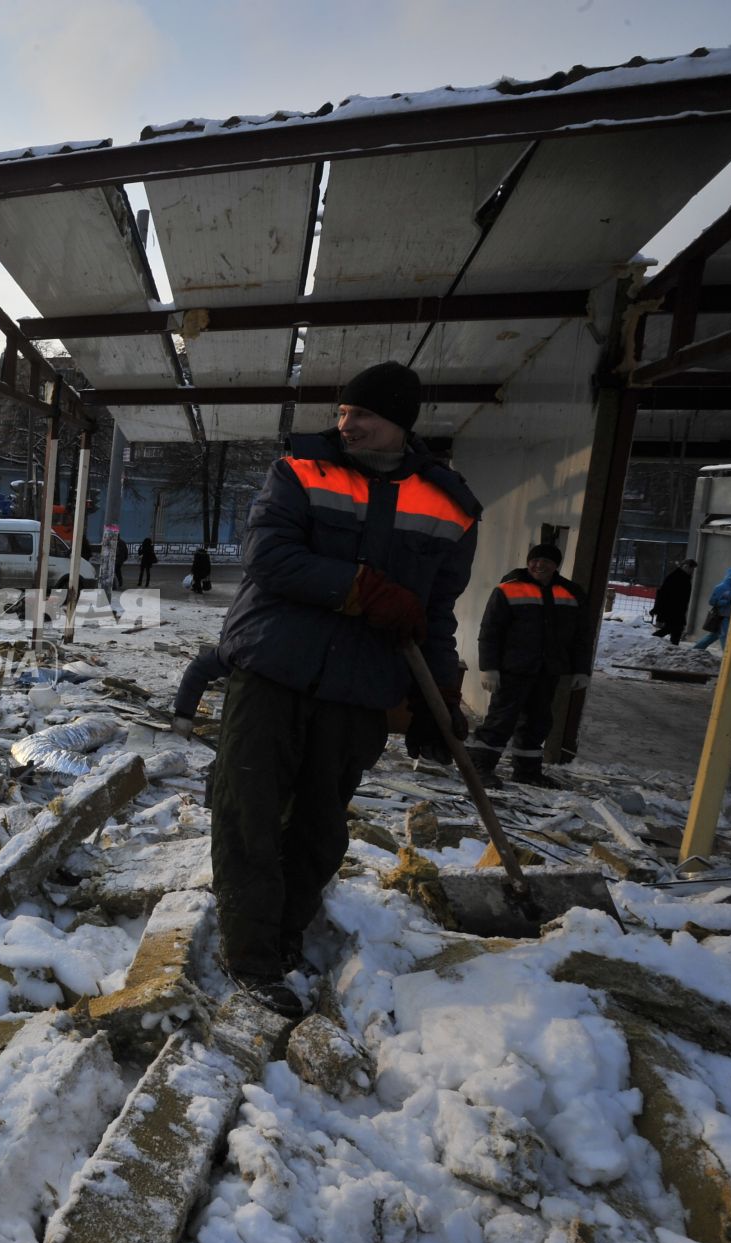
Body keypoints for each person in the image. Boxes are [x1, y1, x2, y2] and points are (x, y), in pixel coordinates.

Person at [208, 360, 479, 1017]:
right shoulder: (299, 470)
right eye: (344, 413)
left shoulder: (451, 505)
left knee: (320, 829)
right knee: (247, 810)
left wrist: (439, 691)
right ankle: (251, 959)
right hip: (272, 667)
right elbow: (268, 558)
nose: (346, 424)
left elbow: (435, 613)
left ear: (399, 426)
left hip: (359, 689)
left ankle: (284, 933)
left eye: (364, 415)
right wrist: (360, 588)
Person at [467, 545, 590, 788]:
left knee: (538, 722)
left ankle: (527, 771)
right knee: (501, 720)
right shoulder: (508, 589)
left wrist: (581, 669)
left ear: (556, 565)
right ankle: (480, 767)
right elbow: (490, 630)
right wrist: (488, 667)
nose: (539, 565)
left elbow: (582, 636)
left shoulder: (571, 593)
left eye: (546, 561)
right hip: (514, 669)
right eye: (535, 560)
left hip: (548, 671)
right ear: (528, 562)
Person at [651, 559, 695, 644]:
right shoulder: (675, 577)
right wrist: (659, 611)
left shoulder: (684, 577)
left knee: (675, 630)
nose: (692, 571)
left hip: (678, 610)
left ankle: (673, 647)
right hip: (672, 610)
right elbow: (663, 594)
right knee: (672, 628)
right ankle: (651, 640)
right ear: (685, 567)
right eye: (691, 569)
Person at [694, 566, 731, 652]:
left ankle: (695, 649)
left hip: (729, 616)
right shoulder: (721, 587)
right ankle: (726, 655)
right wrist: (727, 601)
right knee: (725, 636)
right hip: (722, 616)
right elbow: (712, 602)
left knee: (713, 636)